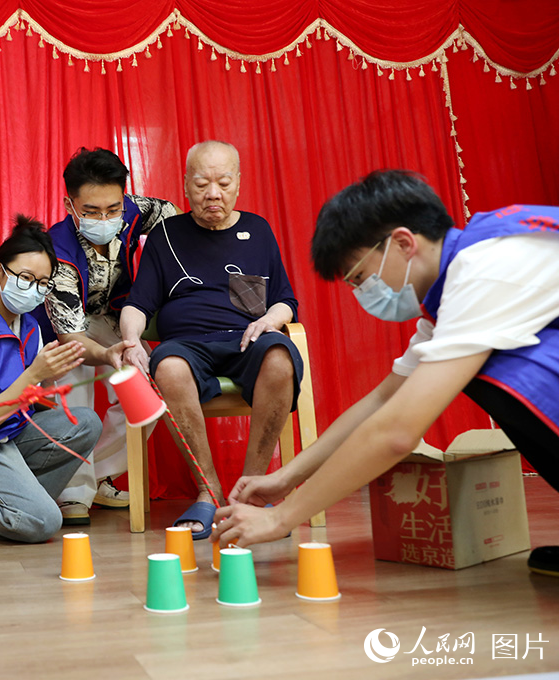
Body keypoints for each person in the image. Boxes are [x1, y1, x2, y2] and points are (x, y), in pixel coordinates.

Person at [215, 170, 559, 577]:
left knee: (503, 370)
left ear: (402, 243)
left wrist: (280, 518)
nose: (361, 293)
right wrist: (285, 479)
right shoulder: (454, 289)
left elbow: (396, 431)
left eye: (359, 277)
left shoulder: (484, 269)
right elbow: (382, 401)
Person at [120, 141, 304, 540]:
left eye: (223, 182)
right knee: (165, 365)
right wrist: (132, 339)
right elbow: (138, 303)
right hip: (187, 345)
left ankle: (250, 493)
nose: (213, 193)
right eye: (202, 183)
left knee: (280, 357)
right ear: (186, 185)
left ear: (238, 182)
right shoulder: (166, 234)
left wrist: (272, 319)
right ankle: (209, 490)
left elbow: (286, 300)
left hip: (247, 339)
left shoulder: (257, 229)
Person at [0, 216, 103, 542]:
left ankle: (20, 500)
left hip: (10, 437)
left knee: (85, 422)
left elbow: (30, 401)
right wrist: (35, 374)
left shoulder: (29, 328)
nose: (35, 290)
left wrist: (48, 390)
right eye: (26, 278)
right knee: (44, 523)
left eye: (44, 283)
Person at [38, 147, 178, 525]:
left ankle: (92, 475)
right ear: (70, 204)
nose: (105, 218)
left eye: (112, 209)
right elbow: (71, 338)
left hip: (115, 317)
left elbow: (173, 218)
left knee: (151, 386)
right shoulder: (57, 251)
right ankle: (73, 493)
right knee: (75, 380)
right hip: (63, 331)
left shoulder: (134, 209)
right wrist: (108, 354)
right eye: (92, 212)